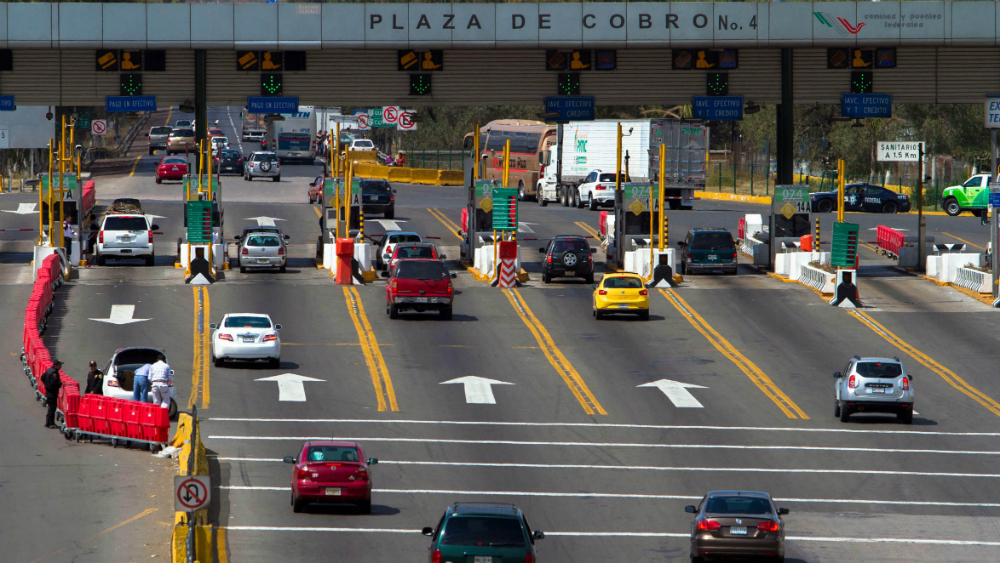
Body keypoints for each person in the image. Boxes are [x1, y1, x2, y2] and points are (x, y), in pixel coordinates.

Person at [41, 359, 64, 428]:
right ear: (56, 365)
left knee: (50, 408)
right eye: (59, 365)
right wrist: (60, 383)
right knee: (52, 408)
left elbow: (42, 378)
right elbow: (54, 382)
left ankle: (48, 423)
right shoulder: (54, 372)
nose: (60, 367)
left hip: (48, 392)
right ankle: (51, 423)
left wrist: (46, 384)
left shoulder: (49, 370)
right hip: (52, 393)